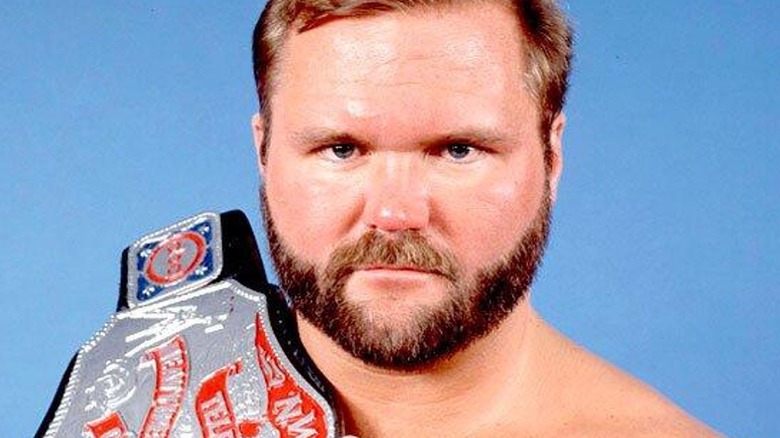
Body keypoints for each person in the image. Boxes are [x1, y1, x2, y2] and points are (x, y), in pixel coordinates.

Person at [250, 0, 719, 436]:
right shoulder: (175, 398)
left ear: (551, 158)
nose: (394, 214)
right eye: (342, 150)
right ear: (263, 153)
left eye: (459, 151)